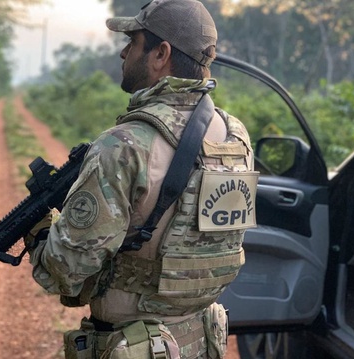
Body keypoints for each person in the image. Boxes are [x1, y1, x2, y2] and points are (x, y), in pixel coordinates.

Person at [26, 0, 257, 358]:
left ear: (160, 53)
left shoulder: (124, 145)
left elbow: (66, 271)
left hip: (134, 346)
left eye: (133, 42)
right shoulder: (234, 135)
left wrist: (40, 229)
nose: (123, 52)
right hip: (202, 341)